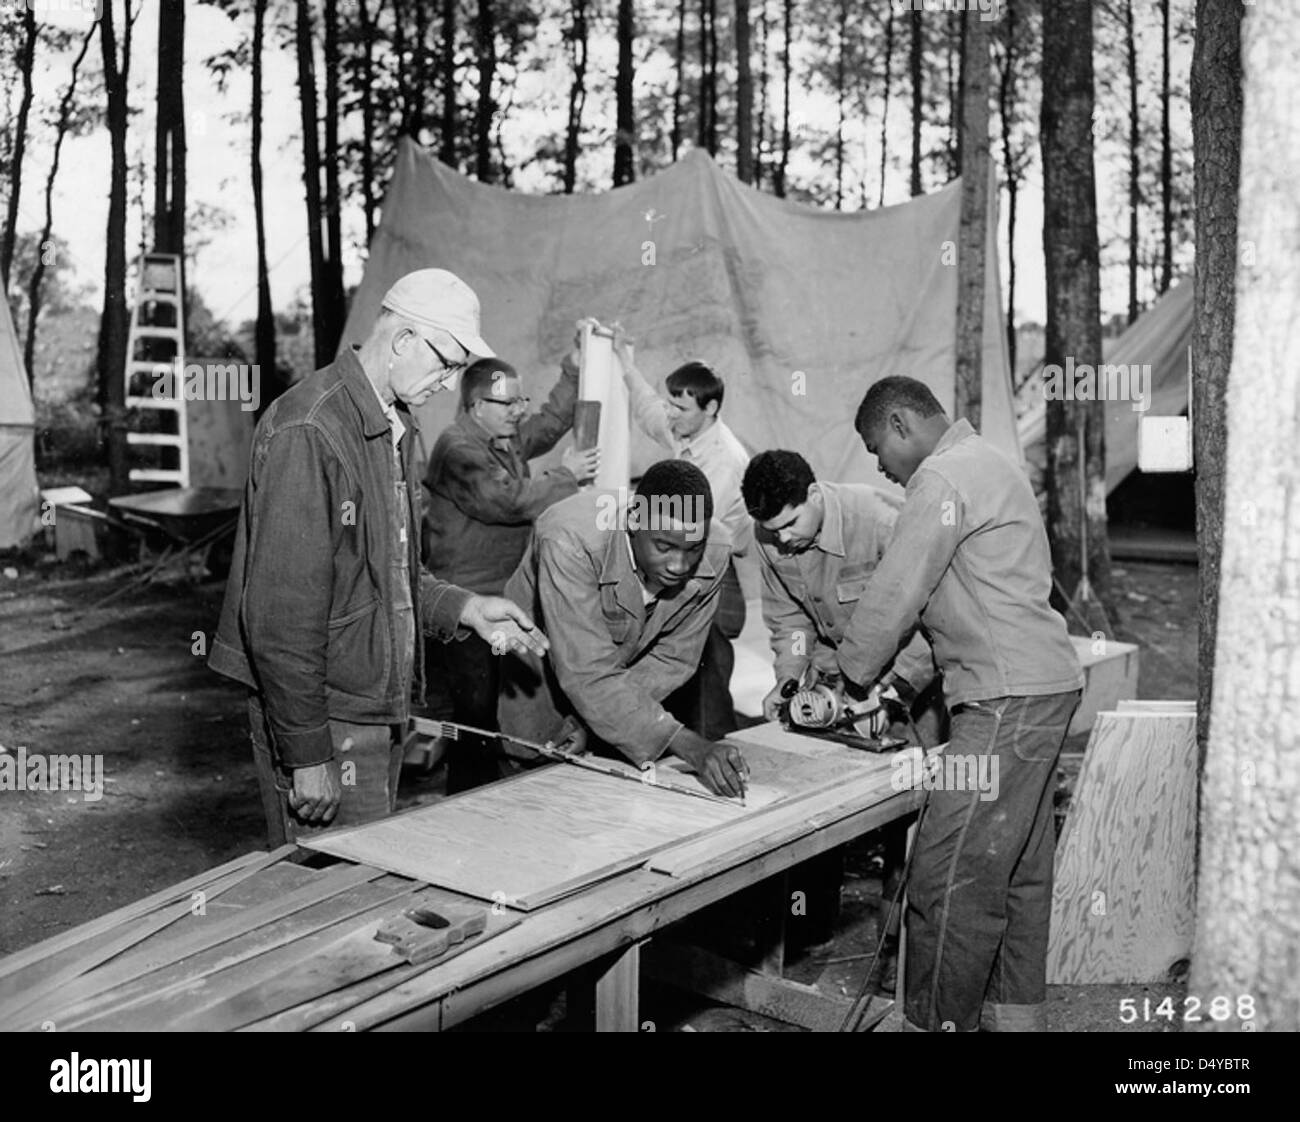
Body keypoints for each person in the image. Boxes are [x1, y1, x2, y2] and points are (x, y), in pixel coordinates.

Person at [209, 268, 549, 846]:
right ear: (404, 339)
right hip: (328, 717)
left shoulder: (392, 424)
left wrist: (464, 609)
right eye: (445, 362)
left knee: (361, 890)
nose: (448, 382)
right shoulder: (311, 428)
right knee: (328, 903)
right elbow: (279, 616)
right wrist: (307, 751)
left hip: (371, 704)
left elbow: (387, 573)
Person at [835, 375, 1084, 1033]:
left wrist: (849, 679)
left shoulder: (941, 479)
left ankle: (933, 1026)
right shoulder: (987, 463)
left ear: (898, 423)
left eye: (875, 449)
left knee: (949, 875)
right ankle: (1014, 1018)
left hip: (1004, 700)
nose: (880, 468)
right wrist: (898, 687)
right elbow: (961, 603)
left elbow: (897, 592)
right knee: (1015, 868)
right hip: (1042, 684)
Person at [741, 448, 937, 959]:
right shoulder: (770, 534)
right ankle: (808, 933)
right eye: (772, 531)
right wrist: (788, 680)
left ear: (812, 494)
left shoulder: (878, 519)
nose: (782, 539)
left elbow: (936, 614)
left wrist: (894, 688)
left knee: (913, 816)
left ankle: (900, 951)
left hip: (913, 676)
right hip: (836, 680)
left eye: (789, 525)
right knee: (822, 801)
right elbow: (789, 623)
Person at [498, 459, 749, 797]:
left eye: (692, 549)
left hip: (614, 671)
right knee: (532, 764)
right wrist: (689, 745)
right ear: (634, 520)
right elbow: (586, 671)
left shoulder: (715, 548)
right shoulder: (570, 540)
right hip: (538, 655)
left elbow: (672, 659)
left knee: (606, 784)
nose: (680, 565)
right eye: (664, 546)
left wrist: (597, 722)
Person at [421, 347, 600, 791]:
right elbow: (508, 501)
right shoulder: (457, 448)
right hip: (465, 606)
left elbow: (551, 421)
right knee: (476, 718)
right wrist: (566, 476)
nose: (520, 412)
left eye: (521, 401)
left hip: (499, 600)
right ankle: (465, 808)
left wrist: (574, 368)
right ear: (476, 406)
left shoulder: (500, 435)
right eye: (509, 403)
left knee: (498, 712)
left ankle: (490, 803)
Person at [609, 327, 750, 740]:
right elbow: (648, 408)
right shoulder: (684, 429)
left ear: (711, 408)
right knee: (686, 661)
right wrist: (625, 361)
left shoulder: (723, 460)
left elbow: (696, 537)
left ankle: (712, 744)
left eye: (681, 408)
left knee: (705, 661)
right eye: (671, 404)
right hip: (686, 559)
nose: (670, 414)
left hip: (712, 568)